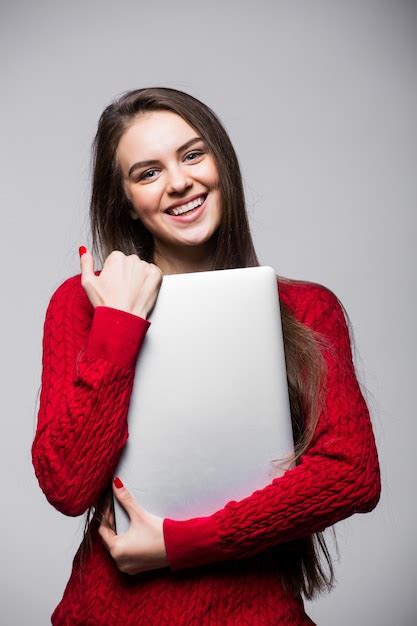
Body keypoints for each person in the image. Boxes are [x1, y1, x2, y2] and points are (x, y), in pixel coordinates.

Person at [31, 87, 381, 625]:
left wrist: (182, 543)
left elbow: (352, 474)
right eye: (147, 172)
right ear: (125, 199)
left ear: (221, 162)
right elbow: (67, 485)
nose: (178, 182)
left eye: (193, 154)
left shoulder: (307, 308)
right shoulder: (85, 304)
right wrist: (119, 325)